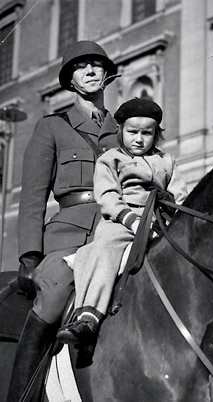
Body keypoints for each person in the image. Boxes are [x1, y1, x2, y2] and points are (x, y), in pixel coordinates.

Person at [7, 40, 119, 402]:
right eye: (81, 66)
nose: (89, 71)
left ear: (106, 75)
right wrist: (29, 255)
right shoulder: (52, 127)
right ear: (70, 79)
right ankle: (21, 393)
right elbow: (33, 196)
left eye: (96, 65)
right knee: (53, 294)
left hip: (117, 228)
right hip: (68, 235)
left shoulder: (127, 130)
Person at [56, 97, 188, 346]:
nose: (139, 139)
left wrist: (174, 215)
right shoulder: (110, 159)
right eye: (132, 132)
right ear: (121, 131)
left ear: (156, 135)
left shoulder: (167, 161)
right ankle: (88, 315)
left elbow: (180, 195)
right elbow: (107, 196)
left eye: (146, 133)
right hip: (121, 221)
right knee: (103, 249)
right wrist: (130, 220)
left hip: (159, 219)